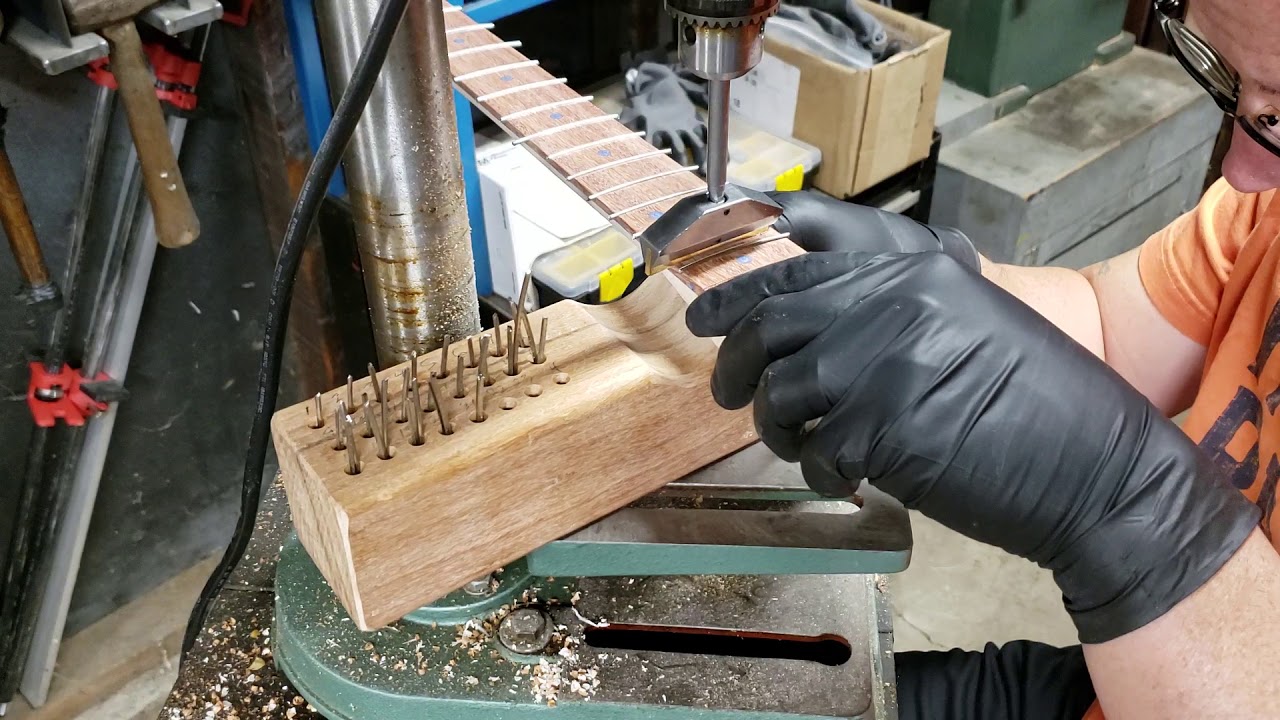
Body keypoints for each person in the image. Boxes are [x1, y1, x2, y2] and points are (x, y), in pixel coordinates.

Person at [684, 0, 1280, 717]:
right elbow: (1108, 326)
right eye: (1229, 83)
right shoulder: (1265, 211)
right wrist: (944, 271)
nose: (1241, 171)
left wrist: (1123, 506)